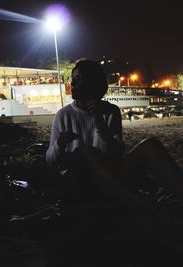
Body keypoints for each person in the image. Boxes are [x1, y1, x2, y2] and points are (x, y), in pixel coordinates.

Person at [45, 59, 183, 214]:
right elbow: (50, 160)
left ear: (94, 83)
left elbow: (116, 155)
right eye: (73, 78)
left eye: (79, 78)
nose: (73, 83)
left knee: (150, 145)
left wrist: (100, 124)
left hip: (110, 176)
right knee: (85, 151)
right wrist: (59, 144)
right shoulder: (63, 115)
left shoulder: (110, 111)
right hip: (81, 183)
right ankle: (144, 206)